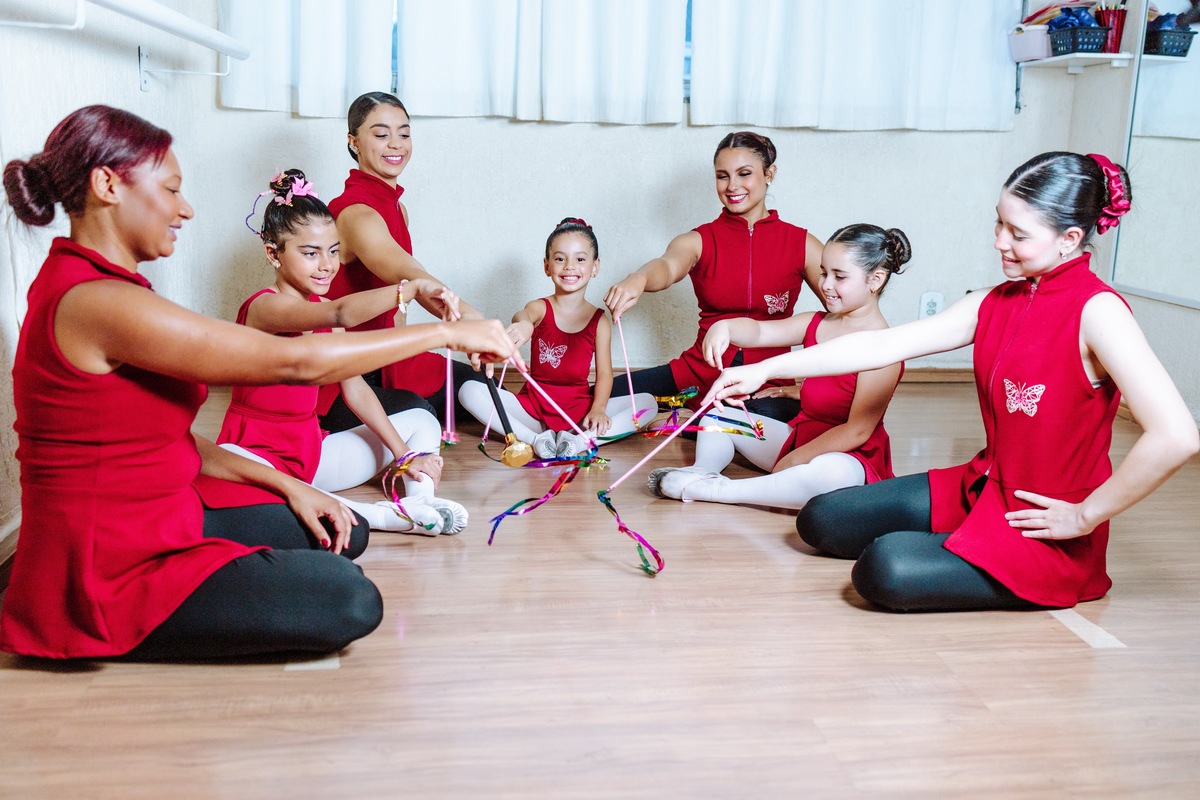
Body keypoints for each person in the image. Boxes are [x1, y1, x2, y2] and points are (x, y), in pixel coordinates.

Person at [0, 106, 515, 660]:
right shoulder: (99, 301)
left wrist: (294, 487)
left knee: (344, 531)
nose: (186, 209)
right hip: (108, 562)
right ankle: (89, 614)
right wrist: (445, 334)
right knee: (351, 601)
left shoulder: (107, 289)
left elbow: (170, 438)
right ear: (108, 186)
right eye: (171, 190)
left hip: (162, 510)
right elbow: (298, 362)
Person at [705, 151, 1199, 612]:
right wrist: (766, 368)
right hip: (982, 487)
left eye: (1018, 233)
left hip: (1042, 524)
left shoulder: (1099, 311)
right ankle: (958, 535)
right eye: (999, 223)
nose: (999, 241)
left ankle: (1020, 558)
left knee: (885, 566)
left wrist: (1084, 516)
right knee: (821, 519)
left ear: (1070, 239)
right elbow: (881, 345)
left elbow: (1176, 436)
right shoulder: (995, 300)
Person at [199, 169, 469, 536]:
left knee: (422, 421)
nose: (326, 265)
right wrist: (411, 287)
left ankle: (418, 502)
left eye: (333, 252)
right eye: (310, 253)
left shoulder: (324, 307)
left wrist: (404, 456)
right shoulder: (265, 308)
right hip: (257, 457)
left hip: (312, 453)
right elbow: (339, 311)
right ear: (272, 254)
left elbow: (356, 389)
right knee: (254, 477)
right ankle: (379, 516)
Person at [648, 225, 909, 510]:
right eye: (824, 272)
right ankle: (702, 471)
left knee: (831, 474)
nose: (826, 284)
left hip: (847, 456)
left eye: (840, 276)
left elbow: (857, 431)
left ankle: (719, 489)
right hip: (800, 437)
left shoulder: (886, 350)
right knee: (716, 420)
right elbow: (760, 332)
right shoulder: (816, 323)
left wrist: (796, 460)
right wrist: (726, 327)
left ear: (876, 279)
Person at [604, 131, 824, 421]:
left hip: (765, 383)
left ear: (769, 173)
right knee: (599, 397)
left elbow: (846, 314)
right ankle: (693, 408)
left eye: (744, 174)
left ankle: (703, 416)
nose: (732, 186)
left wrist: (812, 387)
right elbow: (668, 266)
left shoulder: (801, 243)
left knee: (756, 417)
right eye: (722, 176)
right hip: (697, 375)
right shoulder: (699, 239)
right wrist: (639, 278)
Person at [326, 91, 484, 422]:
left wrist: (469, 326)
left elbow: (408, 291)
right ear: (353, 142)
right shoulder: (356, 214)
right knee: (419, 414)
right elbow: (410, 274)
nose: (396, 144)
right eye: (382, 134)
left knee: (480, 387)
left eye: (404, 133)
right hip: (348, 371)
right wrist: (472, 320)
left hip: (390, 359)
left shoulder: (398, 208)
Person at [459, 218, 656, 457]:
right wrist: (523, 325)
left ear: (595, 267)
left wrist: (598, 410)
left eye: (580, 259)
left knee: (647, 403)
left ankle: (578, 444)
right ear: (547, 266)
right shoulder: (540, 308)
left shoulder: (599, 321)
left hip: (579, 414)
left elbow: (604, 374)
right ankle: (535, 440)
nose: (570, 266)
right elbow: (523, 315)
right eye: (560, 258)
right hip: (533, 411)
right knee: (468, 391)